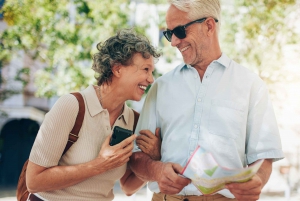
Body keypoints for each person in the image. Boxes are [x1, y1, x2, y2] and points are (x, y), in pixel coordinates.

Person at [130, 1, 284, 201]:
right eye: (169, 34)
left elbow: (264, 157)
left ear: (209, 26)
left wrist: (258, 181)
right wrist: (156, 170)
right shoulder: (161, 86)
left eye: (179, 31)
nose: (174, 41)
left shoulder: (251, 85)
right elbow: (136, 156)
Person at [26, 29, 161, 201]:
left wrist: (155, 159)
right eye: (145, 69)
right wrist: (98, 165)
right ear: (118, 69)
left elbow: (127, 186)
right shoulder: (72, 106)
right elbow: (34, 181)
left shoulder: (133, 120)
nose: (151, 79)